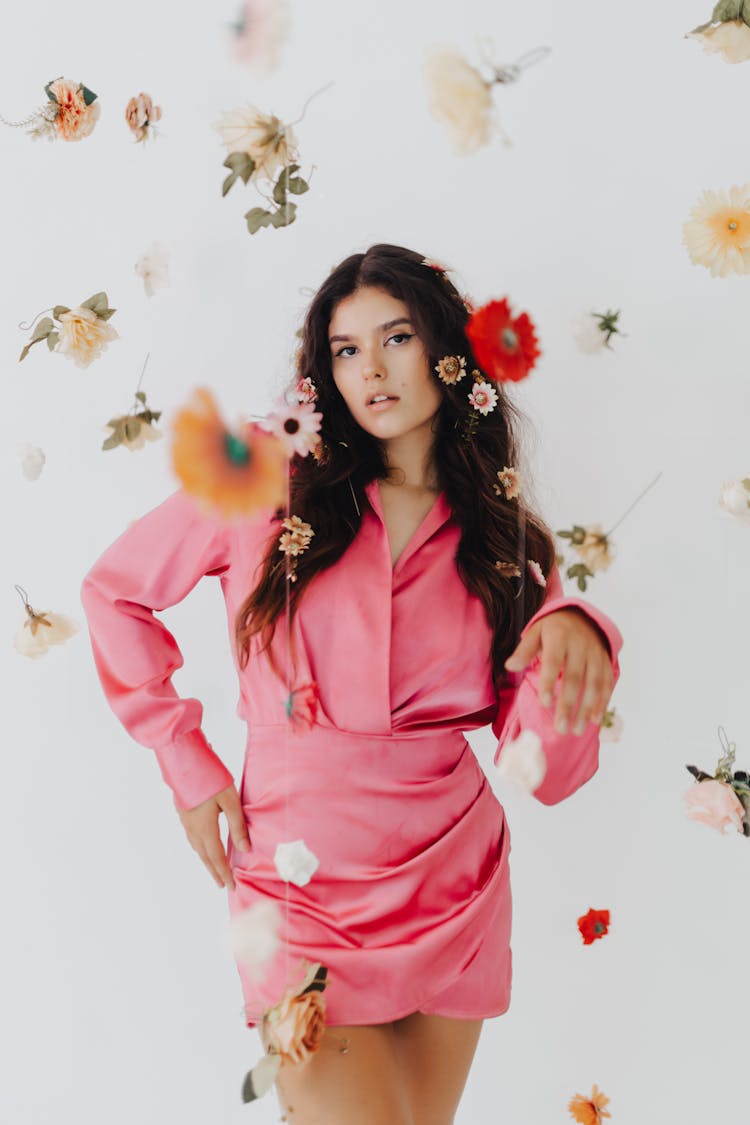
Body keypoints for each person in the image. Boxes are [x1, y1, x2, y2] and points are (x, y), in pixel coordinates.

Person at [79, 243, 622, 1125]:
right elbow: (114, 593)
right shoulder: (263, 475)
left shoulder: (509, 544)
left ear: (446, 349)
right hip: (301, 878)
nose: (370, 368)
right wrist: (188, 763)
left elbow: (547, 772)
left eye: (397, 336)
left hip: (454, 879)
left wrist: (577, 634)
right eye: (344, 348)